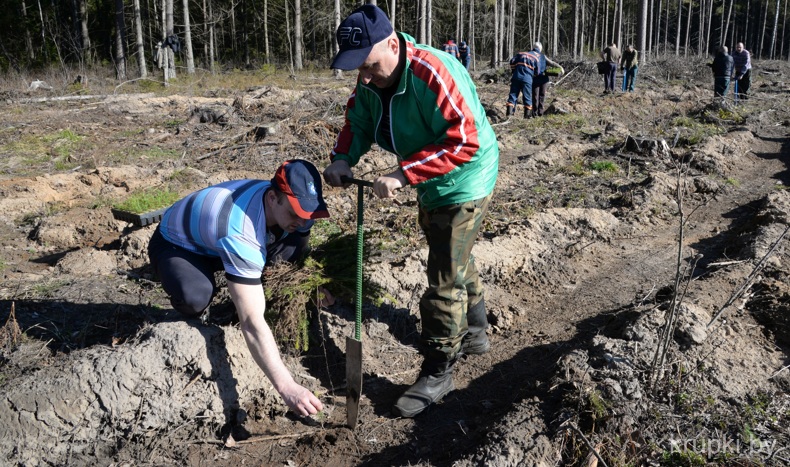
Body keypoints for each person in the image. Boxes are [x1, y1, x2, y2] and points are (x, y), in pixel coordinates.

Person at [326, 4, 498, 418]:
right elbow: (358, 120)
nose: (364, 77)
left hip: (464, 178)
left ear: (391, 42)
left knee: (442, 277)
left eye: (368, 66)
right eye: (357, 70)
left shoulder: (432, 72)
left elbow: (465, 141)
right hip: (430, 180)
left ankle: (439, 369)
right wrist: (343, 158)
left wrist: (404, 174)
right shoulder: (370, 82)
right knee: (452, 254)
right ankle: (475, 332)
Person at [147, 159, 330, 417]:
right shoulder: (240, 232)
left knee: (296, 240)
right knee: (195, 297)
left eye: (307, 213)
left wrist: (310, 287)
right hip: (179, 244)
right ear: (272, 198)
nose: (302, 220)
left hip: (221, 236)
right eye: (295, 213)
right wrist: (288, 387)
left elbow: (299, 237)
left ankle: (246, 281)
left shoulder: (285, 211)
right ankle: (203, 281)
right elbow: (252, 323)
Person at [530, 41, 564, 117]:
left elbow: (551, 63)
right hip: (541, 79)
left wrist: (559, 68)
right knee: (540, 96)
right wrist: (560, 68)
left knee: (536, 96)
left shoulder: (540, 56)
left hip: (538, 79)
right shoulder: (538, 56)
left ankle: (537, 113)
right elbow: (552, 63)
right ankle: (537, 113)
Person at [507, 48, 541, 117]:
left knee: (513, 95)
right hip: (527, 79)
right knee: (527, 97)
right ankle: (527, 116)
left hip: (516, 77)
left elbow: (512, 61)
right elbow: (537, 72)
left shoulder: (520, 54)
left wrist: (514, 70)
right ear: (537, 52)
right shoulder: (536, 58)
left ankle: (509, 114)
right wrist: (532, 74)